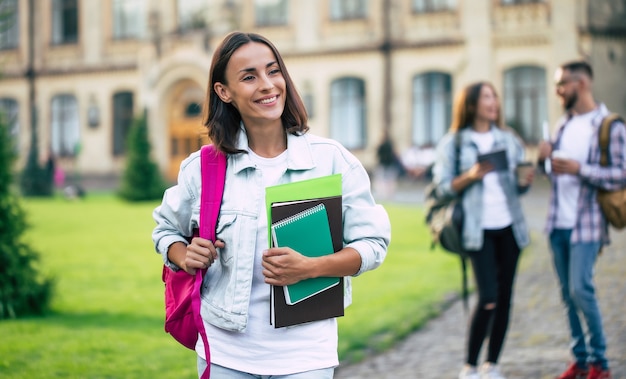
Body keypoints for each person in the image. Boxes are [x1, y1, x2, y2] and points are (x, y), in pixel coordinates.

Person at [152, 31, 391, 378]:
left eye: (273, 71)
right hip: (225, 354)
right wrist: (183, 254)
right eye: (249, 77)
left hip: (306, 356)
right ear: (224, 92)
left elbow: (373, 244)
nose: (267, 85)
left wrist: (310, 268)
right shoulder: (202, 168)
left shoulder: (331, 161)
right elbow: (166, 231)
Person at [431, 82, 533, 379]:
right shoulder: (455, 143)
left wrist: (524, 181)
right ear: (472, 105)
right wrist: (471, 176)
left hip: (510, 229)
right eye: (486, 97)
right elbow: (441, 188)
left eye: (495, 96)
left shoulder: (507, 139)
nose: (494, 102)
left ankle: (493, 365)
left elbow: (516, 187)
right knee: (488, 296)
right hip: (478, 231)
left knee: (504, 299)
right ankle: (470, 366)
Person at [538, 61, 625, 379]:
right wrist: (544, 159)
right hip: (556, 223)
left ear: (582, 83)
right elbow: (555, 175)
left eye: (562, 84)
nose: (558, 91)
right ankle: (581, 360)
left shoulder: (609, 126)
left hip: (588, 223)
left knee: (580, 288)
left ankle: (600, 363)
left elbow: (620, 175)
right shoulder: (563, 126)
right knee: (566, 295)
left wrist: (580, 169)